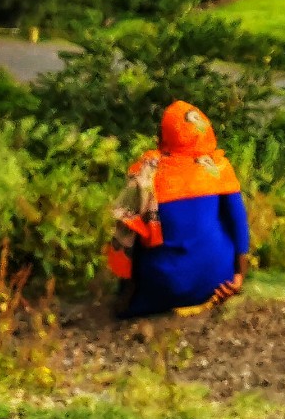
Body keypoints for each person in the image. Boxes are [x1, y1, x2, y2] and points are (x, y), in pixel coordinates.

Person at [107, 100, 251, 318]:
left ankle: (130, 299)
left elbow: (128, 233)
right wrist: (239, 277)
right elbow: (238, 223)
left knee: (137, 224)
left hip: (165, 286)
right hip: (217, 281)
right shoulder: (218, 168)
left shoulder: (148, 171)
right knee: (219, 216)